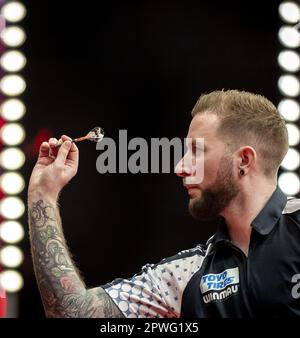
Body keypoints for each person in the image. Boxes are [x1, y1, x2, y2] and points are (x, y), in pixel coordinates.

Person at [28, 90, 300, 318]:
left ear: (243, 160)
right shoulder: (186, 273)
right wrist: (43, 194)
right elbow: (73, 314)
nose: (181, 167)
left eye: (197, 151)